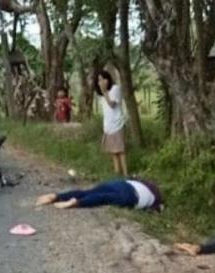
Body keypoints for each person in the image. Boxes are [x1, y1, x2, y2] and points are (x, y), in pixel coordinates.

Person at [35, 178, 163, 212]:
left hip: (121, 183)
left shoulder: (141, 182)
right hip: (133, 196)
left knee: (89, 191)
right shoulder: (156, 199)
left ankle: (56, 196)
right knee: (104, 199)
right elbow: (156, 209)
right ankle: (77, 203)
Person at [96, 70, 128, 176]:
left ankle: (126, 174)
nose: (102, 82)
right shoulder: (101, 95)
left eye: (103, 79)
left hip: (117, 124)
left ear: (108, 79)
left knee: (120, 151)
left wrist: (105, 92)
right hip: (108, 126)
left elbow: (112, 105)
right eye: (99, 80)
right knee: (113, 152)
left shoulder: (115, 89)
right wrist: (103, 92)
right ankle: (117, 173)